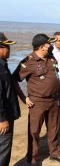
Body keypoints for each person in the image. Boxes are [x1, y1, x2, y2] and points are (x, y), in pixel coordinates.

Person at [13, 34, 60, 165]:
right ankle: (32, 159)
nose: (51, 45)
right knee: (34, 131)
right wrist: (24, 98)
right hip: (37, 102)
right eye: (48, 44)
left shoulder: (52, 58)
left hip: (54, 100)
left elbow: (55, 77)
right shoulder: (28, 62)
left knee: (54, 128)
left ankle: (55, 154)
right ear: (41, 47)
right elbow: (14, 79)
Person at [0, 32, 21, 166]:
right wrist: (2, 119)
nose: (9, 50)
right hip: (3, 117)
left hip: (6, 114)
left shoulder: (3, 65)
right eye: (5, 47)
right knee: (3, 149)